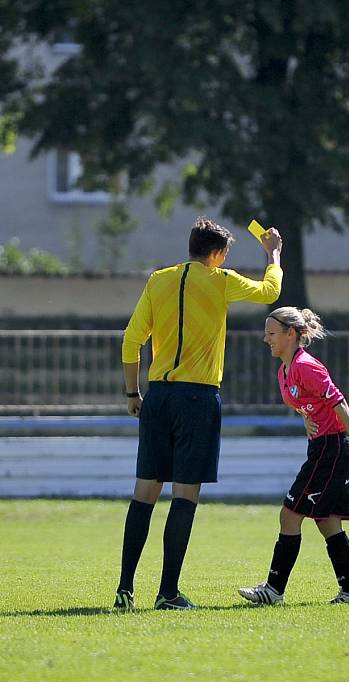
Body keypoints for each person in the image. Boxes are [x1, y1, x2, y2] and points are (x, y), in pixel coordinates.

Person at [115, 216, 283, 610]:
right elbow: (270, 292)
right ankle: (168, 593)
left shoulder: (158, 280)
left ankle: (125, 589)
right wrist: (273, 253)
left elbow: (131, 340)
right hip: (198, 398)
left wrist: (132, 392)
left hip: (157, 397)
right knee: (185, 495)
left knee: (144, 494)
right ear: (218, 254)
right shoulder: (221, 279)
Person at [238, 306, 349, 606]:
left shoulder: (306, 365)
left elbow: (338, 401)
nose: (266, 339)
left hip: (331, 449)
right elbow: (307, 400)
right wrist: (303, 416)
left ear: (291, 334)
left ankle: (273, 590)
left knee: (289, 514)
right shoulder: (285, 369)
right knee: (328, 521)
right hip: (322, 446)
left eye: (271, 333)